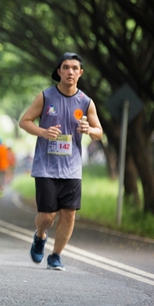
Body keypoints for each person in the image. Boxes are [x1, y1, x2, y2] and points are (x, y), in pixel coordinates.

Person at [19, 52, 102, 271]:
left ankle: (56, 255)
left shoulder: (86, 102)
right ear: (59, 71)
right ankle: (40, 235)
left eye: (75, 68)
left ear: (80, 73)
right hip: (46, 167)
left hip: (72, 169)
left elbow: (99, 133)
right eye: (66, 67)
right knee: (47, 216)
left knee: (69, 214)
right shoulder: (46, 97)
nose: (70, 72)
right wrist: (43, 132)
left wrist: (89, 129)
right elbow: (25, 122)